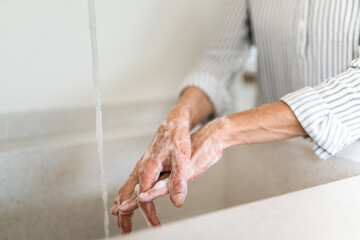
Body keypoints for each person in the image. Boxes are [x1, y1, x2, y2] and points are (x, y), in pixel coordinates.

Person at [111, 0, 360, 234]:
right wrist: (180, 117)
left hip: (349, 176)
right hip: (271, 167)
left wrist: (224, 131)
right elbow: (219, 60)